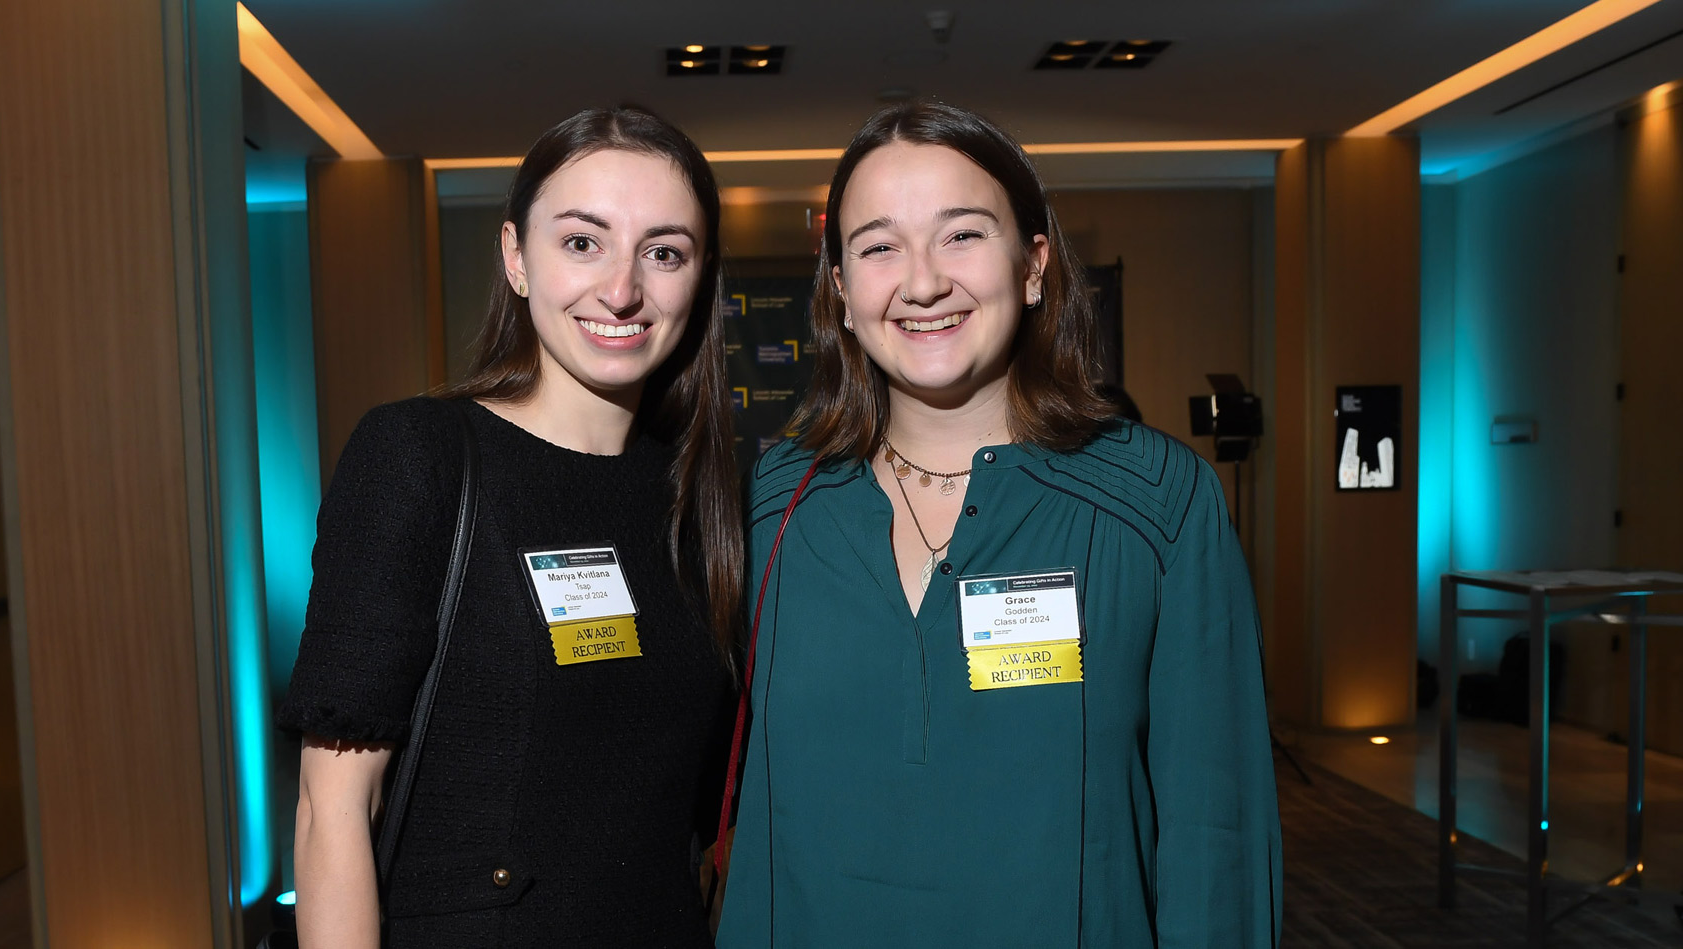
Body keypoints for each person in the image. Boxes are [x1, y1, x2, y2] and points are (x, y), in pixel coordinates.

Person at [717, 101, 1281, 947]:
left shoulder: (1161, 503)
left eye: (962, 235)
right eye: (878, 247)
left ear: (1033, 265)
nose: (922, 283)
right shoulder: (774, 502)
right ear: (840, 291)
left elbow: (1216, 836)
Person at [279, 106, 740, 948]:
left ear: (700, 277)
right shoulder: (418, 456)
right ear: (516, 258)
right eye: (582, 242)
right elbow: (330, 810)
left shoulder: (700, 496)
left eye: (664, 252)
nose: (622, 289)